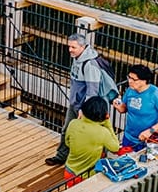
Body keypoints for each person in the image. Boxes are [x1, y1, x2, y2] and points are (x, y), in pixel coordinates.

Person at [45, 32, 111, 166]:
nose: (70, 50)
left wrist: (84, 109)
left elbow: (92, 91)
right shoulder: (77, 58)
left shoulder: (90, 64)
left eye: (73, 47)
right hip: (76, 104)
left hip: (87, 108)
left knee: (94, 134)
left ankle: (100, 160)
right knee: (66, 129)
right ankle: (61, 156)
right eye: (69, 46)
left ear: (83, 47)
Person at [112, 64, 158, 151]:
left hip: (147, 140)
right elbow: (124, 109)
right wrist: (118, 105)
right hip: (128, 137)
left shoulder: (155, 94)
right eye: (129, 77)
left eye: (134, 79)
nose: (130, 81)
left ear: (144, 80)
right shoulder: (130, 90)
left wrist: (150, 131)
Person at [64, 96, 120, 186]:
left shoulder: (73, 123)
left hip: (69, 172)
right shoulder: (103, 132)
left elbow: (67, 142)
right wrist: (108, 124)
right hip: (87, 176)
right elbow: (115, 147)